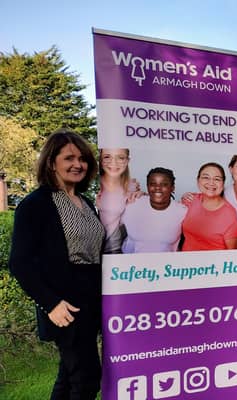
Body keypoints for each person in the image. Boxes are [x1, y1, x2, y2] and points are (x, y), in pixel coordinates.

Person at [9, 130, 105, 399]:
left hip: (90, 301)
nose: (78, 164)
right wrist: (50, 303)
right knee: (86, 380)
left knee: (69, 378)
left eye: (83, 158)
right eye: (69, 158)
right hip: (65, 306)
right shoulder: (35, 204)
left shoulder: (85, 202)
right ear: (52, 162)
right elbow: (20, 262)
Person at [121, 167, 187, 253]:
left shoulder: (182, 211)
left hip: (166, 265)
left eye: (164, 184)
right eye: (152, 184)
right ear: (147, 186)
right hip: (129, 264)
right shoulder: (131, 204)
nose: (157, 188)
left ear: (172, 188)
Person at [181, 162, 237, 250]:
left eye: (217, 179)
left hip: (214, 263)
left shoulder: (229, 214)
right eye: (206, 177)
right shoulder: (190, 200)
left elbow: (234, 254)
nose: (211, 183)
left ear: (223, 183)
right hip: (186, 262)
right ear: (198, 181)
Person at [96, 148, 141, 254]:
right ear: (100, 159)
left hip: (114, 251)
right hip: (86, 251)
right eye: (107, 157)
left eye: (120, 158)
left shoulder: (131, 186)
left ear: (127, 161)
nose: (114, 162)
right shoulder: (91, 182)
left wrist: (143, 197)